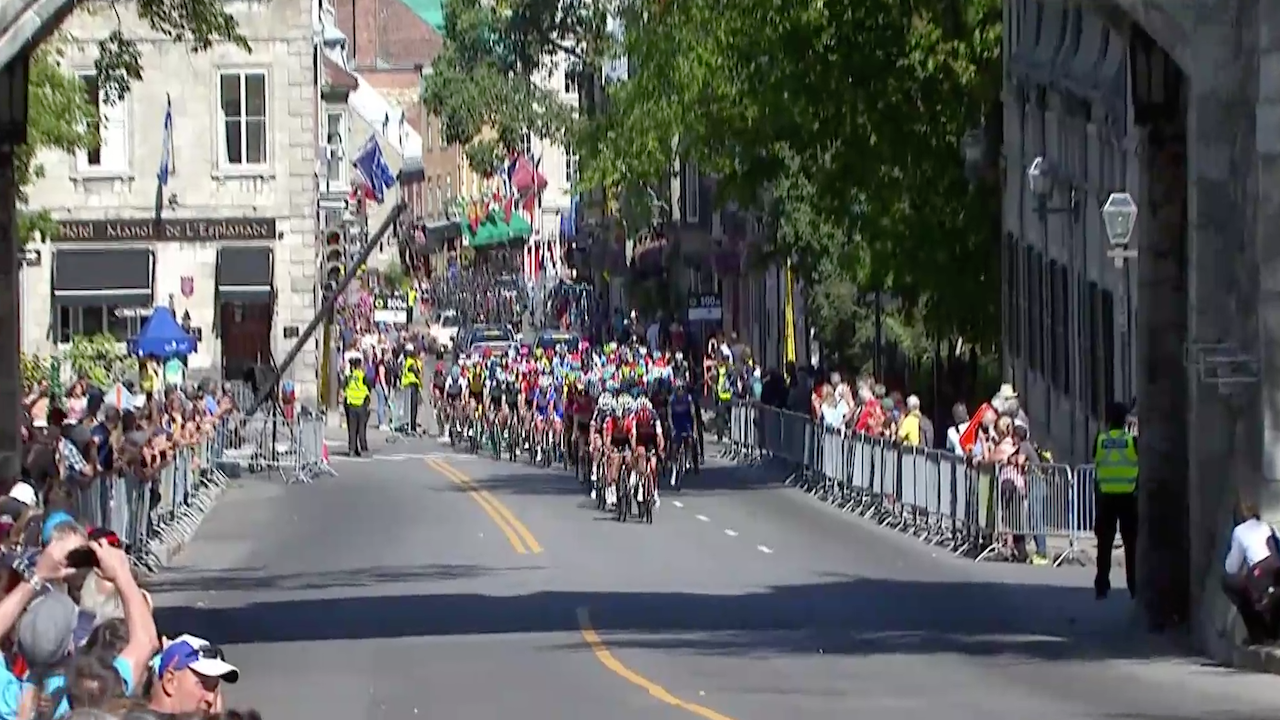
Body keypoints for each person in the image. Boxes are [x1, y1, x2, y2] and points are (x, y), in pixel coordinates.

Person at [1093, 400, 1138, 600]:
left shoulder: (1100, 440)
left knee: (1104, 544)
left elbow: (1096, 459)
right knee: (1131, 545)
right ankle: (1133, 584)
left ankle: (1102, 584)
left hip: (1106, 497)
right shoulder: (1131, 441)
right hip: (1128, 497)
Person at [1222, 495, 1280, 644]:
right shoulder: (1267, 526)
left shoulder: (1240, 531)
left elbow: (1232, 567)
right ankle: (1274, 632)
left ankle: (1257, 634)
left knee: (1230, 585)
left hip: (1259, 573)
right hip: (1276, 570)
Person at [343, 356, 371, 457]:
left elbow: (344, 387)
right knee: (361, 428)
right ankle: (363, 449)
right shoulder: (363, 376)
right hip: (361, 404)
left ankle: (352, 449)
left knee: (352, 429)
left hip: (351, 404)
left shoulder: (349, 376)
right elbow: (369, 386)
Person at [401, 345, 423, 434]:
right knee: (412, 407)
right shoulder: (411, 362)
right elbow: (416, 372)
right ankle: (412, 427)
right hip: (412, 385)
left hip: (409, 385)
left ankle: (410, 425)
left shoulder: (408, 361)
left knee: (410, 407)